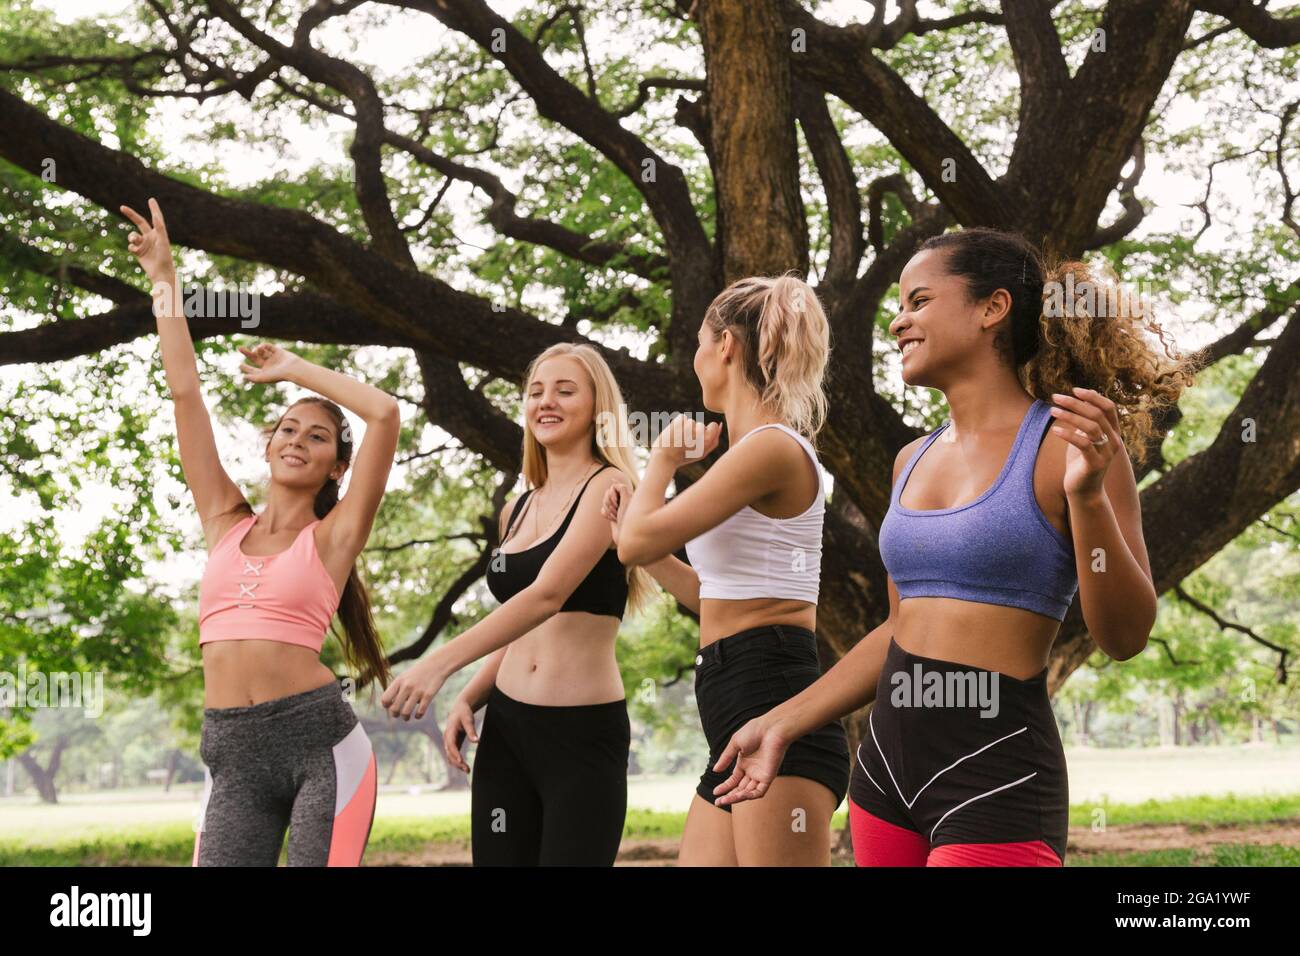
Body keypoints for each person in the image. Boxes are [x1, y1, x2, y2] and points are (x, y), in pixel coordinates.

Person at [707, 227, 1195, 866]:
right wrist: (780, 722)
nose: (898, 323)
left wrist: (1089, 499)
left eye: (918, 302)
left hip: (994, 772)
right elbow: (898, 626)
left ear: (992, 308)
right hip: (884, 774)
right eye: (900, 308)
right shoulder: (910, 460)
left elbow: (1126, 635)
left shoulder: (1071, 447)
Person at [120, 198, 400, 866]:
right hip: (231, 752)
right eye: (287, 428)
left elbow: (385, 414)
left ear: (337, 466)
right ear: (268, 445)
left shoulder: (334, 538)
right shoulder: (223, 518)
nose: (297, 440)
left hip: (321, 749)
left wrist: (295, 371)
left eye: (318, 436)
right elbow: (185, 394)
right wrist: (165, 280)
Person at [608, 273, 849, 866]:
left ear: (726, 347)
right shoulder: (750, 453)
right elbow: (709, 592)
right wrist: (645, 543)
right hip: (732, 695)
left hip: (771, 692)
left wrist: (662, 459)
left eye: (697, 344)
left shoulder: (771, 448)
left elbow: (633, 543)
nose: (693, 361)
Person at [380, 343, 653, 866]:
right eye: (535, 391)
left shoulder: (611, 488)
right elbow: (520, 628)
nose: (545, 401)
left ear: (598, 405)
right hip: (507, 730)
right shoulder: (517, 508)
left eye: (565, 390)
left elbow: (547, 596)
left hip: (581, 735)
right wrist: (471, 695)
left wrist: (438, 663)